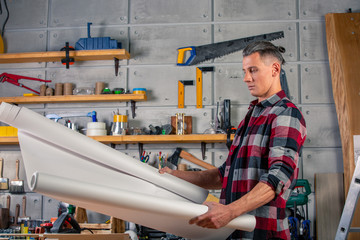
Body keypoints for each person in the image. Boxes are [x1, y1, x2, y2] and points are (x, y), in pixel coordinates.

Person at [160, 41, 307, 240]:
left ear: (275, 69)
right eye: (245, 71)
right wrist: (173, 176)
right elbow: (223, 176)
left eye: (253, 70)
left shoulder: (286, 113)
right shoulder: (251, 115)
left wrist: (229, 212)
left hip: (262, 234)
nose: (246, 78)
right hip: (234, 232)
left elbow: (278, 177)